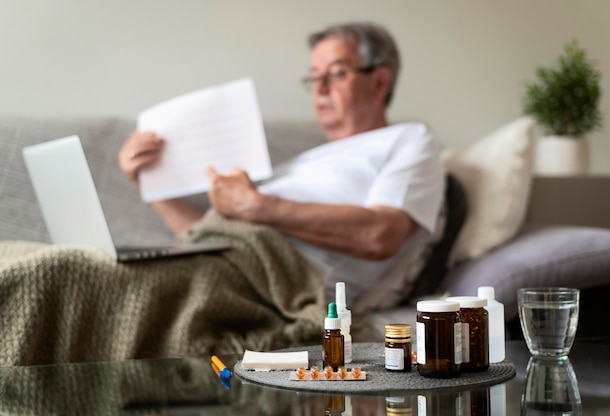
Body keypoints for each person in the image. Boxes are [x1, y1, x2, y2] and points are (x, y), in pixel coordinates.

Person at [118, 22, 445, 310]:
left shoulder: (412, 140)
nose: (320, 89)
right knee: (96, 267)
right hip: (225, 261)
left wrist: (257, 206)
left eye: (336, 73)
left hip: (277, 285)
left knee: (111, 283)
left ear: (379, 81)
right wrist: (148, 182)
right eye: (314, 78)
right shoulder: (304, 162)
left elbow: (381, 235)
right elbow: (205, 235)